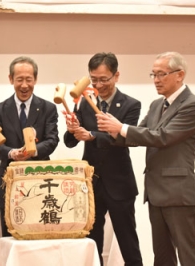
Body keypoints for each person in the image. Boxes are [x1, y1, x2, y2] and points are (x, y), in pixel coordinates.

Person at [97, 51, 195, 266]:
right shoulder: (157, 104)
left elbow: (163, 137)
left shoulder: (192, 105)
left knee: (187, 253)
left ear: (179, 75)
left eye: (161, 74)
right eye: (153, 75)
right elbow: (139, 134)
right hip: (155, 191)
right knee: (162, 256)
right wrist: (111, 131)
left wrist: (122, 128)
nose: (156, 80)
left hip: (178, 192)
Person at [64, 52, 143, 266]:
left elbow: (124, 140)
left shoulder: (130, 105)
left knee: (128, 241)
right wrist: (72, 129)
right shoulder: (84, 102)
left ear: (116, 76)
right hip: (91, 184)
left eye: (104, 79)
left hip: (119, 184)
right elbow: (70, 142)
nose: (99, 84)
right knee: (91, 242)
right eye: (94, 79)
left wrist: (92, 136)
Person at [0, 56, 59, 236]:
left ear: (35, 79)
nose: (24, 85)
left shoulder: (48, 108)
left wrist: (32, 151)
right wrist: (12, 153)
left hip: (41, 182)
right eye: (19, 79)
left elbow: (52, 140)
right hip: (9, 181)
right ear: (11, 79)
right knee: (9, 236)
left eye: (29, 79)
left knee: (40, 235)